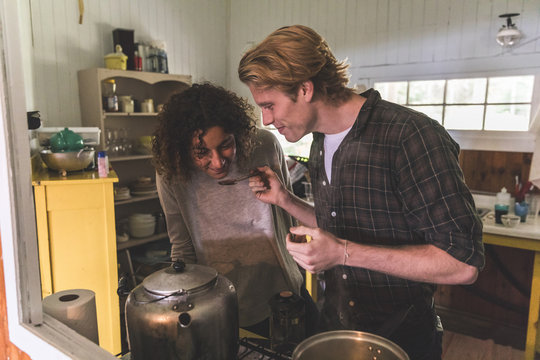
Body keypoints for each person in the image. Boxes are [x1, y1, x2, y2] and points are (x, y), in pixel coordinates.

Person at [238, 25, 484, 359]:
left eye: (269, 105)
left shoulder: (411, 136)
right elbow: (338, 226)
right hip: (334, 326)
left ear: (305, 89)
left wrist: (341, 253)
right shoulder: (321, 141)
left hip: (402, 336)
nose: (266, 120)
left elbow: (462, 263)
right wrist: (285, 199)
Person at [152, 82, 317, 338]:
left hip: (282, 291)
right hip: (217, 302)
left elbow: (290, 217)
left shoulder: (264, 145)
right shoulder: (171, 171)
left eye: (226, 144)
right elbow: (182, 247)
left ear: (237, 134)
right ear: (182, 148)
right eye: (201, 152)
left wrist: (303, 272)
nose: (217, 161)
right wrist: (182, 306)